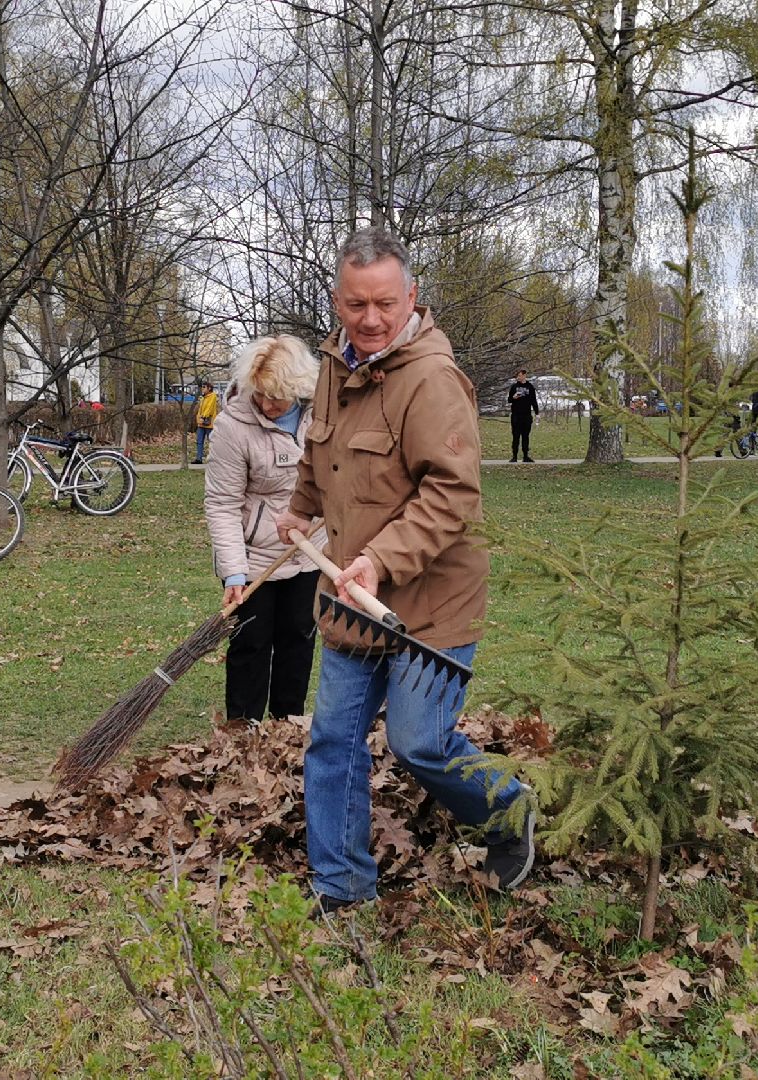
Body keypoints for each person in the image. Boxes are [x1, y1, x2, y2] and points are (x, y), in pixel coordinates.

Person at [273, 227, 536, 913]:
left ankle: (507, 808)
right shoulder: (334, 365)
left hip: (430, 601)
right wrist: (301, 510)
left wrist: (379, 561)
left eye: (383, 303)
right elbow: (319, 454)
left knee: (418, 743)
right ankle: (342, 889)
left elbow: (451, 494)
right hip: (350, 596)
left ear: (411, 297)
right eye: (355, 304)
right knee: (332, 742)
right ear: (336, 300)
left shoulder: (432, 380)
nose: (369, 319)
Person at [204, 336, 323, 725]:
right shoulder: (231, 427)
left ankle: (286, 730)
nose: (269, 405)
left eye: (279, 397)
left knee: (298, 642)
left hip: (310, 552)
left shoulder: (322, 416)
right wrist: (234, 571)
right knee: (251, 646)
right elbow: (223, 504)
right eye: (262, 394)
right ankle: (243, 733)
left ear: (299, 389)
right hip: (254, 557)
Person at [506, 369, 538, 462]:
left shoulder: (530, 387)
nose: (518, 378)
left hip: (527, 415)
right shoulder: (514, 387)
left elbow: (534, 401)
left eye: (519, 376)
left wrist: (537, 413)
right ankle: (514, 456)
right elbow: (509, 400)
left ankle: (525, 456)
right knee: (515, 436)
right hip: (516, 415)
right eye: (517, 376)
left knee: (525, 436)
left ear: (524, 375)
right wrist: (513, 397)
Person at [192, 382, 221, 464]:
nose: (202, 388)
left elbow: (209, 408)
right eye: (202, 387)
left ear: (209, 388)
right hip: (201, 423)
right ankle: (199, 458)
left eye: (204, 387)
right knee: (199, 441)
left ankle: (214, 459)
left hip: (209, 423)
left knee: (211, 441)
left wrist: (203, 417)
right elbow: (200, 409)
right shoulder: (203, 397)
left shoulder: (213, 396)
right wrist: (199, 418)